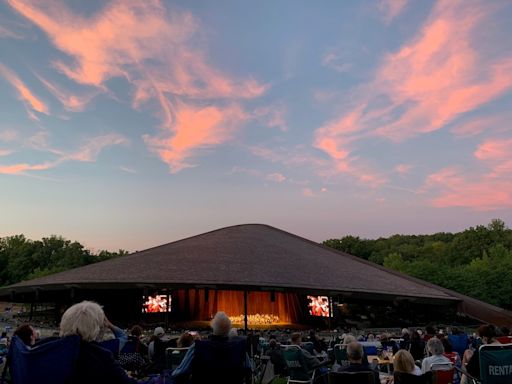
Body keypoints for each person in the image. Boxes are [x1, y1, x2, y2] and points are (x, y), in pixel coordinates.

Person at [59, 300, 136, 383]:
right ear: (97, 328)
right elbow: (123, 336)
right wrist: (110, 325)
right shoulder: (103, 353)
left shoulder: (49, 347)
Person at [171, 311, 252, 383]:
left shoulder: (197, 347)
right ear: (229, 329)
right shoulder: (240, 348)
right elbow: (249, 370)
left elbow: (178, 374)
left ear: (212, 327)